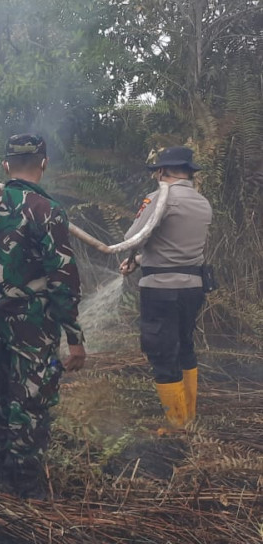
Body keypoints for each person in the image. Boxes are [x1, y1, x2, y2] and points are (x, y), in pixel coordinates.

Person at [0, 134, 86, 499]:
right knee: (34, 397)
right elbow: (63, 279)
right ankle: (25, 483)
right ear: (44, 162)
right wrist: (75, 338)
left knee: (0, 390)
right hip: (35, 324)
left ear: (5, 164)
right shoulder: (47, 210)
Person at [118, 146, 211, 429]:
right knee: (185, 346)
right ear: (189, 172)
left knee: (162, 352)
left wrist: (134, 255)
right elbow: (173, 246)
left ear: (162, 172)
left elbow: (132, 237)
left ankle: (176, 425)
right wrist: (140, 260)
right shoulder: (201, 202)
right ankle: (190, 416)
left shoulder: (160, 199)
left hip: (161, 290)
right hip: (193, 287)